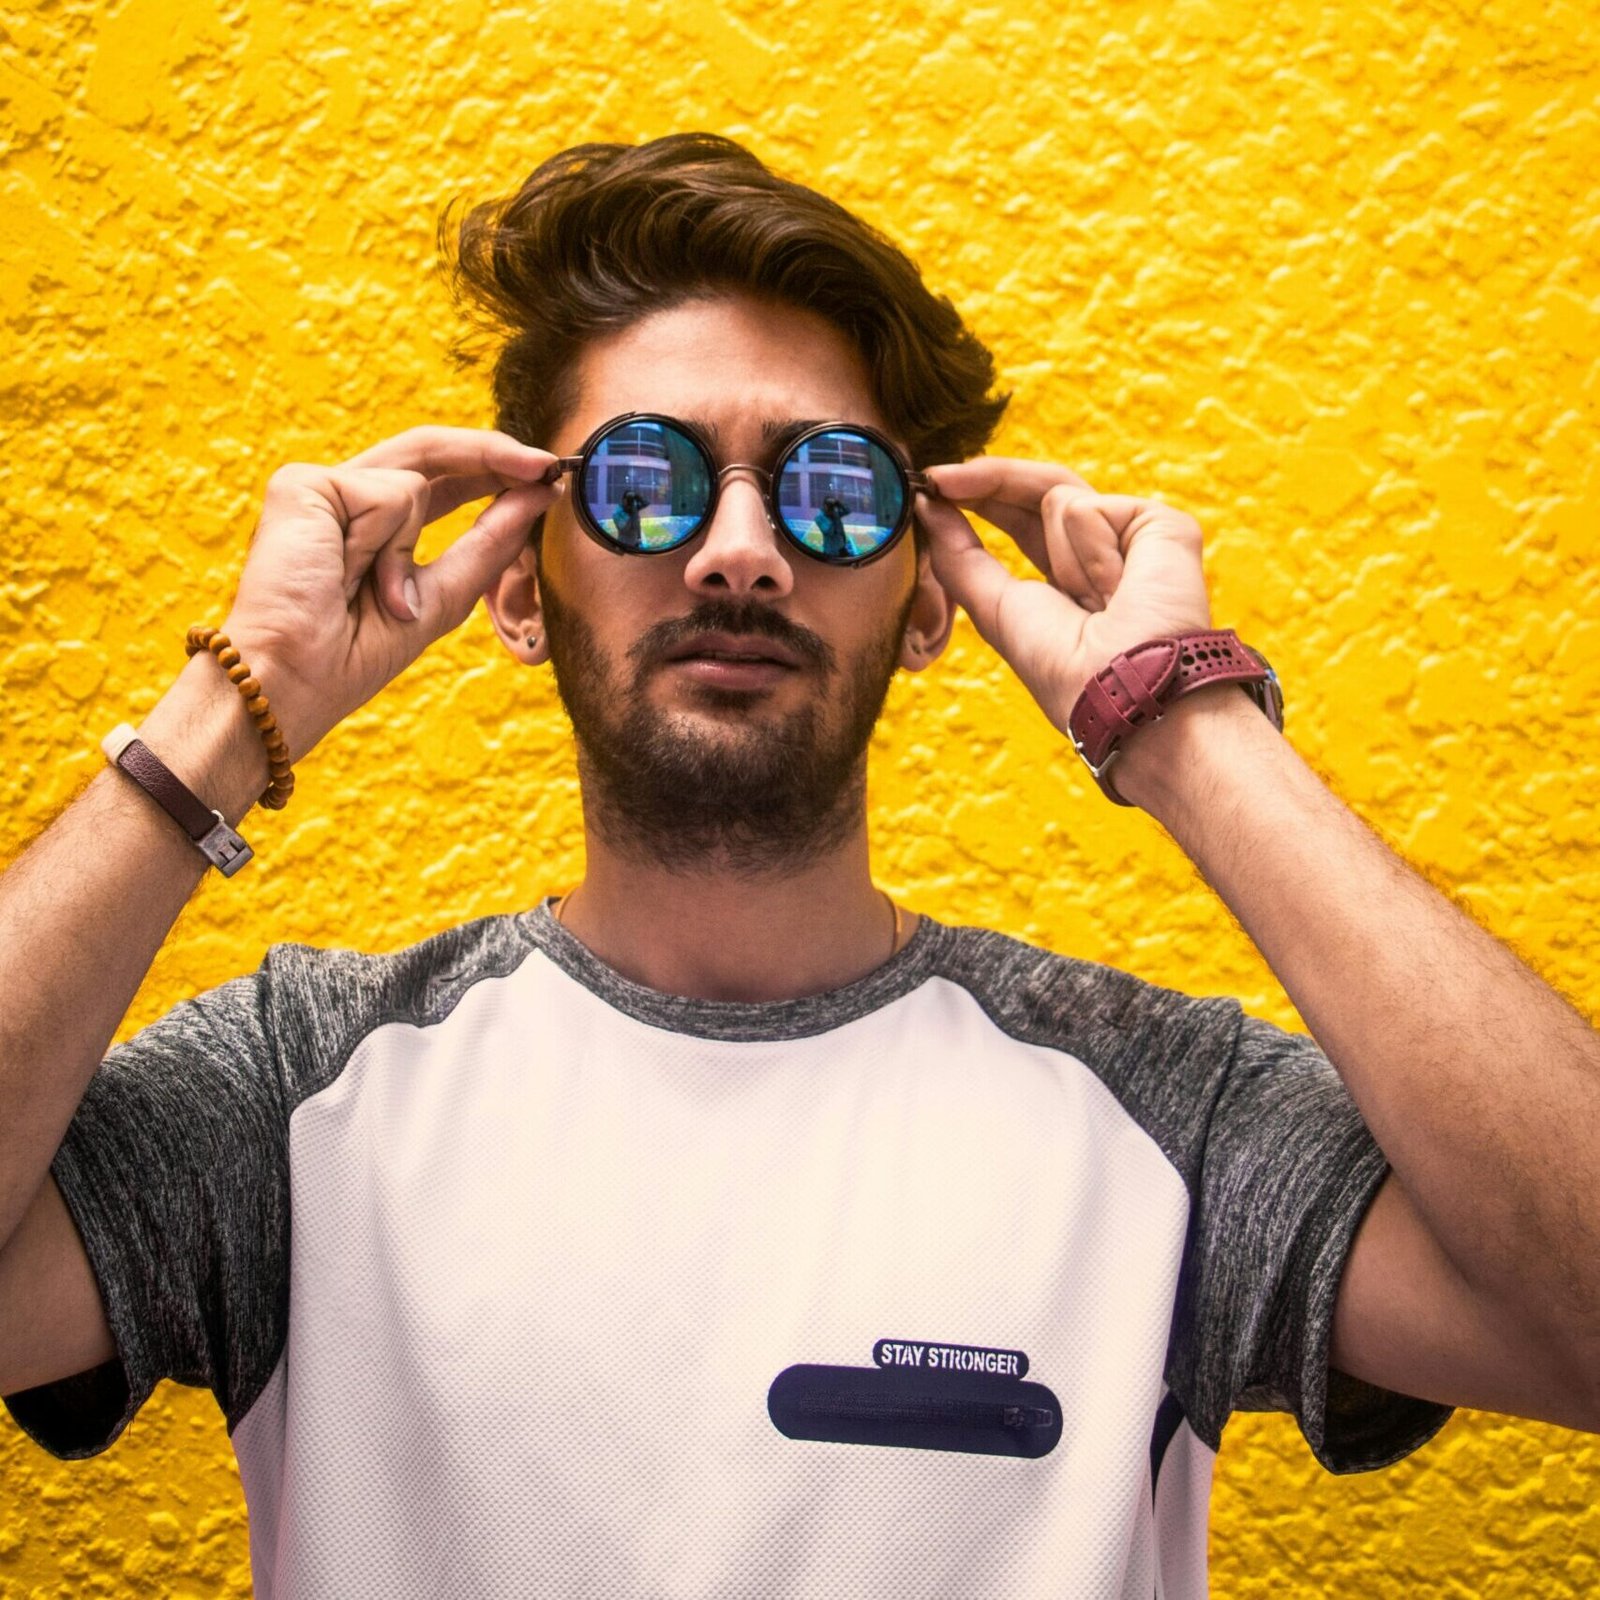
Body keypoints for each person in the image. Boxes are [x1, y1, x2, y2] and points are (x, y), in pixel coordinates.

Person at [0, 132, 1595, 1599]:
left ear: (925, 604)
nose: (740, 549)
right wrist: (235, 704)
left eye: (832, 491)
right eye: (645, 479)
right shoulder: (301, 1094)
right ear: (518, 583)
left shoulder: (1154, 1114)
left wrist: (1182, 731)